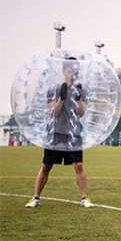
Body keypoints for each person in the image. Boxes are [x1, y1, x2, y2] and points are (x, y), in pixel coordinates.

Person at [26, 57, 94, 208]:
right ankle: (35, 198)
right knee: (46, 166)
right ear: (64, 71)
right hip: (55, 133)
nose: (72, 74)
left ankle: (84, 198)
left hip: (73, 133)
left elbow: (80, 113)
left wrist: (79, 98)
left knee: (79, 165)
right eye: (69, 71)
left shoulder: (81, 90)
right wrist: (61, 99)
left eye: (75, 72)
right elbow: (53, 113)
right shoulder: (54, 89)